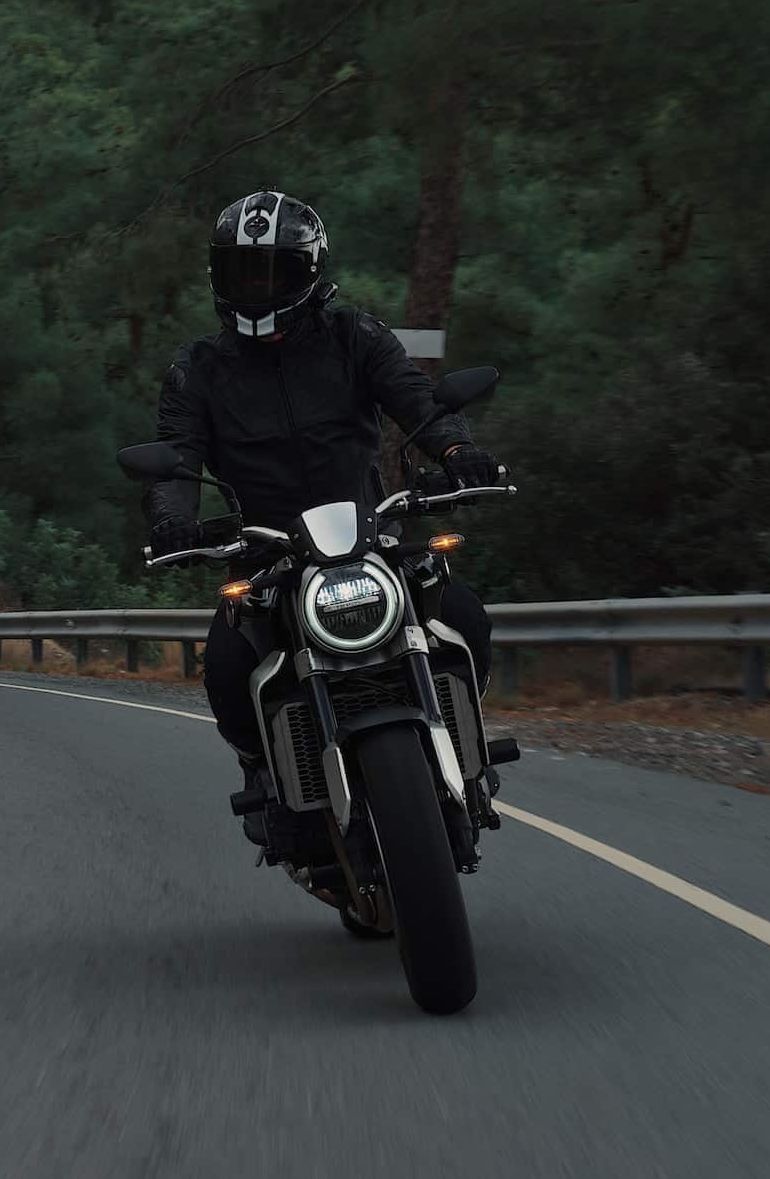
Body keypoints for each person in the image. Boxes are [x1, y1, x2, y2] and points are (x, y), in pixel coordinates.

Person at [143, 191, 504, 841]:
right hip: (266, 553)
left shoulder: (355, 336)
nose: (256, 288)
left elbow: (415, 401)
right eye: (241, 272)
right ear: (218, 278)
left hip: (368, 535)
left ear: (307, 271)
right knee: (227, 662)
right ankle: (263, 771)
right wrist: (173, 519)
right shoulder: (197, 369)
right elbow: (175, 461)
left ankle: (463, 751)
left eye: (272, 271)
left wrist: (458, 451)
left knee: (462, 613)